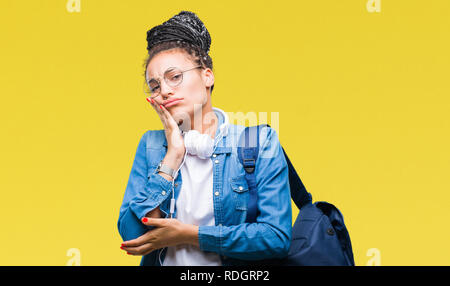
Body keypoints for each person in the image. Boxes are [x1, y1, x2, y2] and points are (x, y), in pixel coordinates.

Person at [117, 10, 292, 266]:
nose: (164, 91)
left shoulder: (258, 142)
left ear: (207, 76)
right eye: (154, 86)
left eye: (174, 77)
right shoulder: (152, 145)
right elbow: (133, 237)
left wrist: (191, 235)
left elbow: (276, 238)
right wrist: (171, 158)